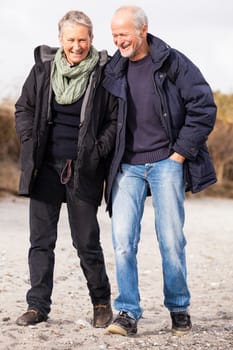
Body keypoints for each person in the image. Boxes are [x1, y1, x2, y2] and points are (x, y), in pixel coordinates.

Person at [102, 5, 217, 336]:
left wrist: (180, 153)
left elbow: (204, 106)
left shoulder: (173, 62)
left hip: (167, 162)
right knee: (123, 241)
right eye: (114, 35)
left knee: (171, 240)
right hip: (127, 166)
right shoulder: (113, 69)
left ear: (143, 30)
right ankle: (126, 313)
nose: (118, 41)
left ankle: (179, 308)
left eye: (123, 34)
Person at [15, 10, 117, 328]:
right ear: (60, 39)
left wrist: (97, 150)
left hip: (83, 169)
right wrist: (30, 140)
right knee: (41, 241)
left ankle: (101, 303)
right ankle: (37, 306)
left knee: (86, 241)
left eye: (82, 39)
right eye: (71, 39)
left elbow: (115, 119)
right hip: (44, 168)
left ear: (91, 39)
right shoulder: (43, 70)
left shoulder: (103, 74)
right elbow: (24, 108)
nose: (77, 46)